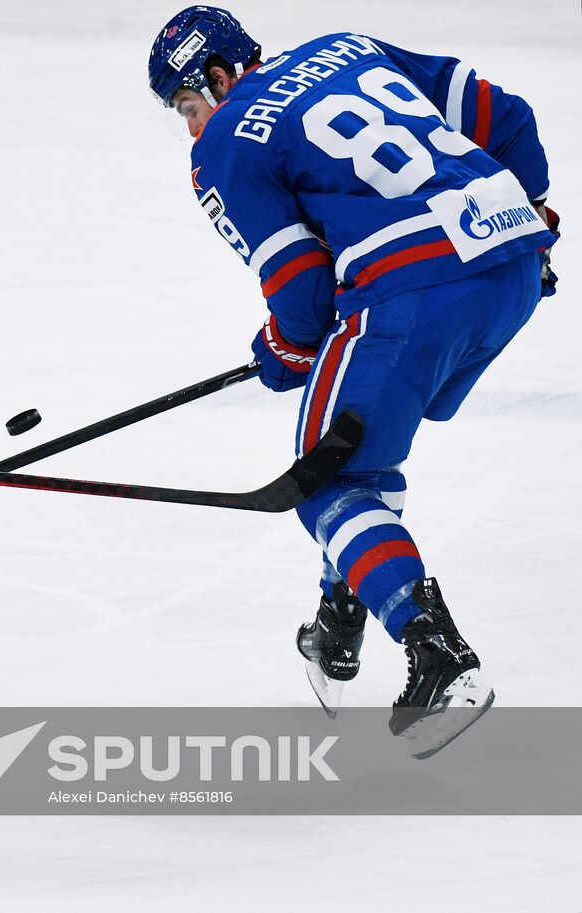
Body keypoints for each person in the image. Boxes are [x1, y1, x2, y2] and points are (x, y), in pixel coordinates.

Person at [147, 8, 558, 756]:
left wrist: (280, 348)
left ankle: (439, 655)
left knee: (329, 479)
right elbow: (509, 116)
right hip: (514, 262)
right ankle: (340, 616)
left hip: (415, 287)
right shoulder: (346, 47)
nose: (192, 128)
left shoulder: (225, 150)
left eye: (187, 108)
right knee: (364, 451)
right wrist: (529, 209)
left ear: (216, 76)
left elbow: (303, 302)